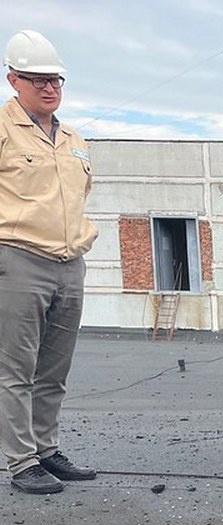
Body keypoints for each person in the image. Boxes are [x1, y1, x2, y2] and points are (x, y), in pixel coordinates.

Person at [0, 30, 98, 495]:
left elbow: (77, 197)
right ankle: (21, 463)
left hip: (69, 262)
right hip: (18, 260)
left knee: (53, 369)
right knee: (15, 369)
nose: (49, 88)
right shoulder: (3, 129)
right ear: (13, 80)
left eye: (55, 80)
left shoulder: (74, 138)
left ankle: (46, 449)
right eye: (37, 80)